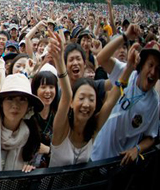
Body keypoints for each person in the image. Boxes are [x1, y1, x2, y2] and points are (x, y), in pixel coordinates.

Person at [47, 32, 123, 167]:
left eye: (91, 99)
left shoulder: (93, 129)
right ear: (71, 103)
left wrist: (128, 69)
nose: (86, 105)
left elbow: (113, 94)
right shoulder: (61, 129)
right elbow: (67, 94)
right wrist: (58, 60)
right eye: (81, 98)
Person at [92, 25, 159, 163]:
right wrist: (125, 36)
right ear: (142, 64)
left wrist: (137, 149)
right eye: (150, 65)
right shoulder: (125, 71)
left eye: (158, 69)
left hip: (120, 165)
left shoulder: (155, 103)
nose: (153, 72)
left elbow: (151, 136)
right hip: (97, 155)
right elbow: (101, 59)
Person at [0, 73, 42, 176]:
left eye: (22, 99)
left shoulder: (32, 136)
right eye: (10, 98)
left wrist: (29, 171)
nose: (15, 105)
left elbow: (33, 165)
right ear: (1, 103)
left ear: (28, 106)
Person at [30, 69, 59, 167]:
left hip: (54, 167)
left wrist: (48, 149)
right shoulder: (28, 115)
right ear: (35, 90)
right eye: (43, 87)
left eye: (51, 87)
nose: (48, 91)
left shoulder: (58, 115)